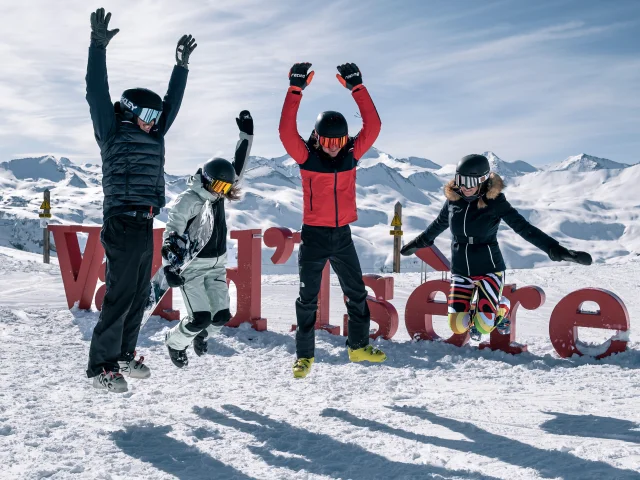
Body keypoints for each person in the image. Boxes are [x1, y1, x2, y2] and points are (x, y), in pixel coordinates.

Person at [85, 7, 196, 392]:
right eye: (149, 114)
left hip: (145, 220)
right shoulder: (112, 131)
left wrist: (180, 68)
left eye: (157, 114)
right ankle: (100, 367)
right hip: (121, 221)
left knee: (139, 295)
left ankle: (123, 356)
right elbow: (95, 91)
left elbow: (173, 104)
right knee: (120, 294)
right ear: (130, 112)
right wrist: (97, 47)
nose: (156, 119)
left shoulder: (154, 134)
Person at [401, 154, 592, 340]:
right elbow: (438, 224)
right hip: (461, 271)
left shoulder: (495, 201)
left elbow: (523, 227)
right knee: (457, 326)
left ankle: (502, 306)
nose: (465, 187)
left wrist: (555, 250)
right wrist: (419, 243)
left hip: (488, 269)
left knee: (483, 326)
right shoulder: (453, 200)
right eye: (460, 180)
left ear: (483, 180)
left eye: (470, 182)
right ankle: (485, 310)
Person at [279, 61, 386, 378]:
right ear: (316, 138)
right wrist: (295, 89)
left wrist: (358, 88)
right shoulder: (306, 157)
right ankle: (304, 356)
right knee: (307, 299)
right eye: (326, 141)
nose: (332, 147)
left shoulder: (352, 154)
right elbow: (286, 130)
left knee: (357, 293)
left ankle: (358, 346)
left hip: (342, 236)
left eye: (338, 141)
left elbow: (374, 125)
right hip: (313, 236)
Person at [162, 111, 253, 368]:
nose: (221, 193)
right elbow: (173, 231)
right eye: (218, 187)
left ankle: (201, 336)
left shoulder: (218, 194)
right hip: (192, 268)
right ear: (206, 180)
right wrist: (169, 265)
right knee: (199, 317)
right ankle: (175, 342)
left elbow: (239, 166)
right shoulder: (189, 200)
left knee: (221, 316)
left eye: (226, 189)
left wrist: (246, 135)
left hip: (216, 266)